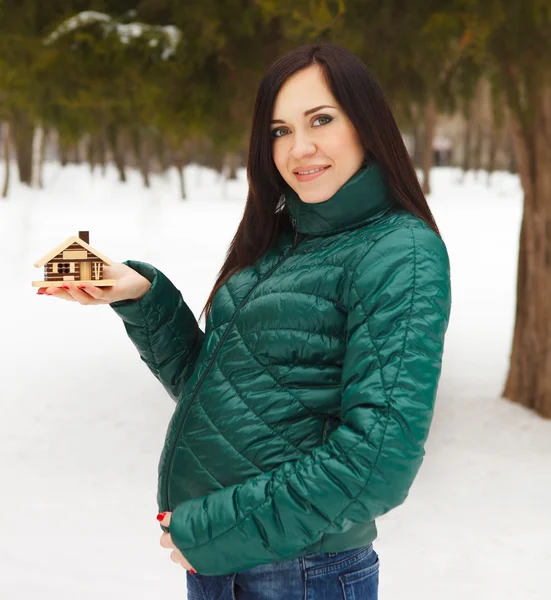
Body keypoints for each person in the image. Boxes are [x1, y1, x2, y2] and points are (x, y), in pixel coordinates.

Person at [38, 43, 452, 600]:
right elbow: (224, 393)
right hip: (227, 568)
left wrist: (217, 532)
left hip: (302, 573)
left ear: (367, 124)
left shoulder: (400, 250)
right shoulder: (283, 241)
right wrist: (142, 297)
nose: (299, 147)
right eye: (280, 130)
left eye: (321, 120)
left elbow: (379, 459)